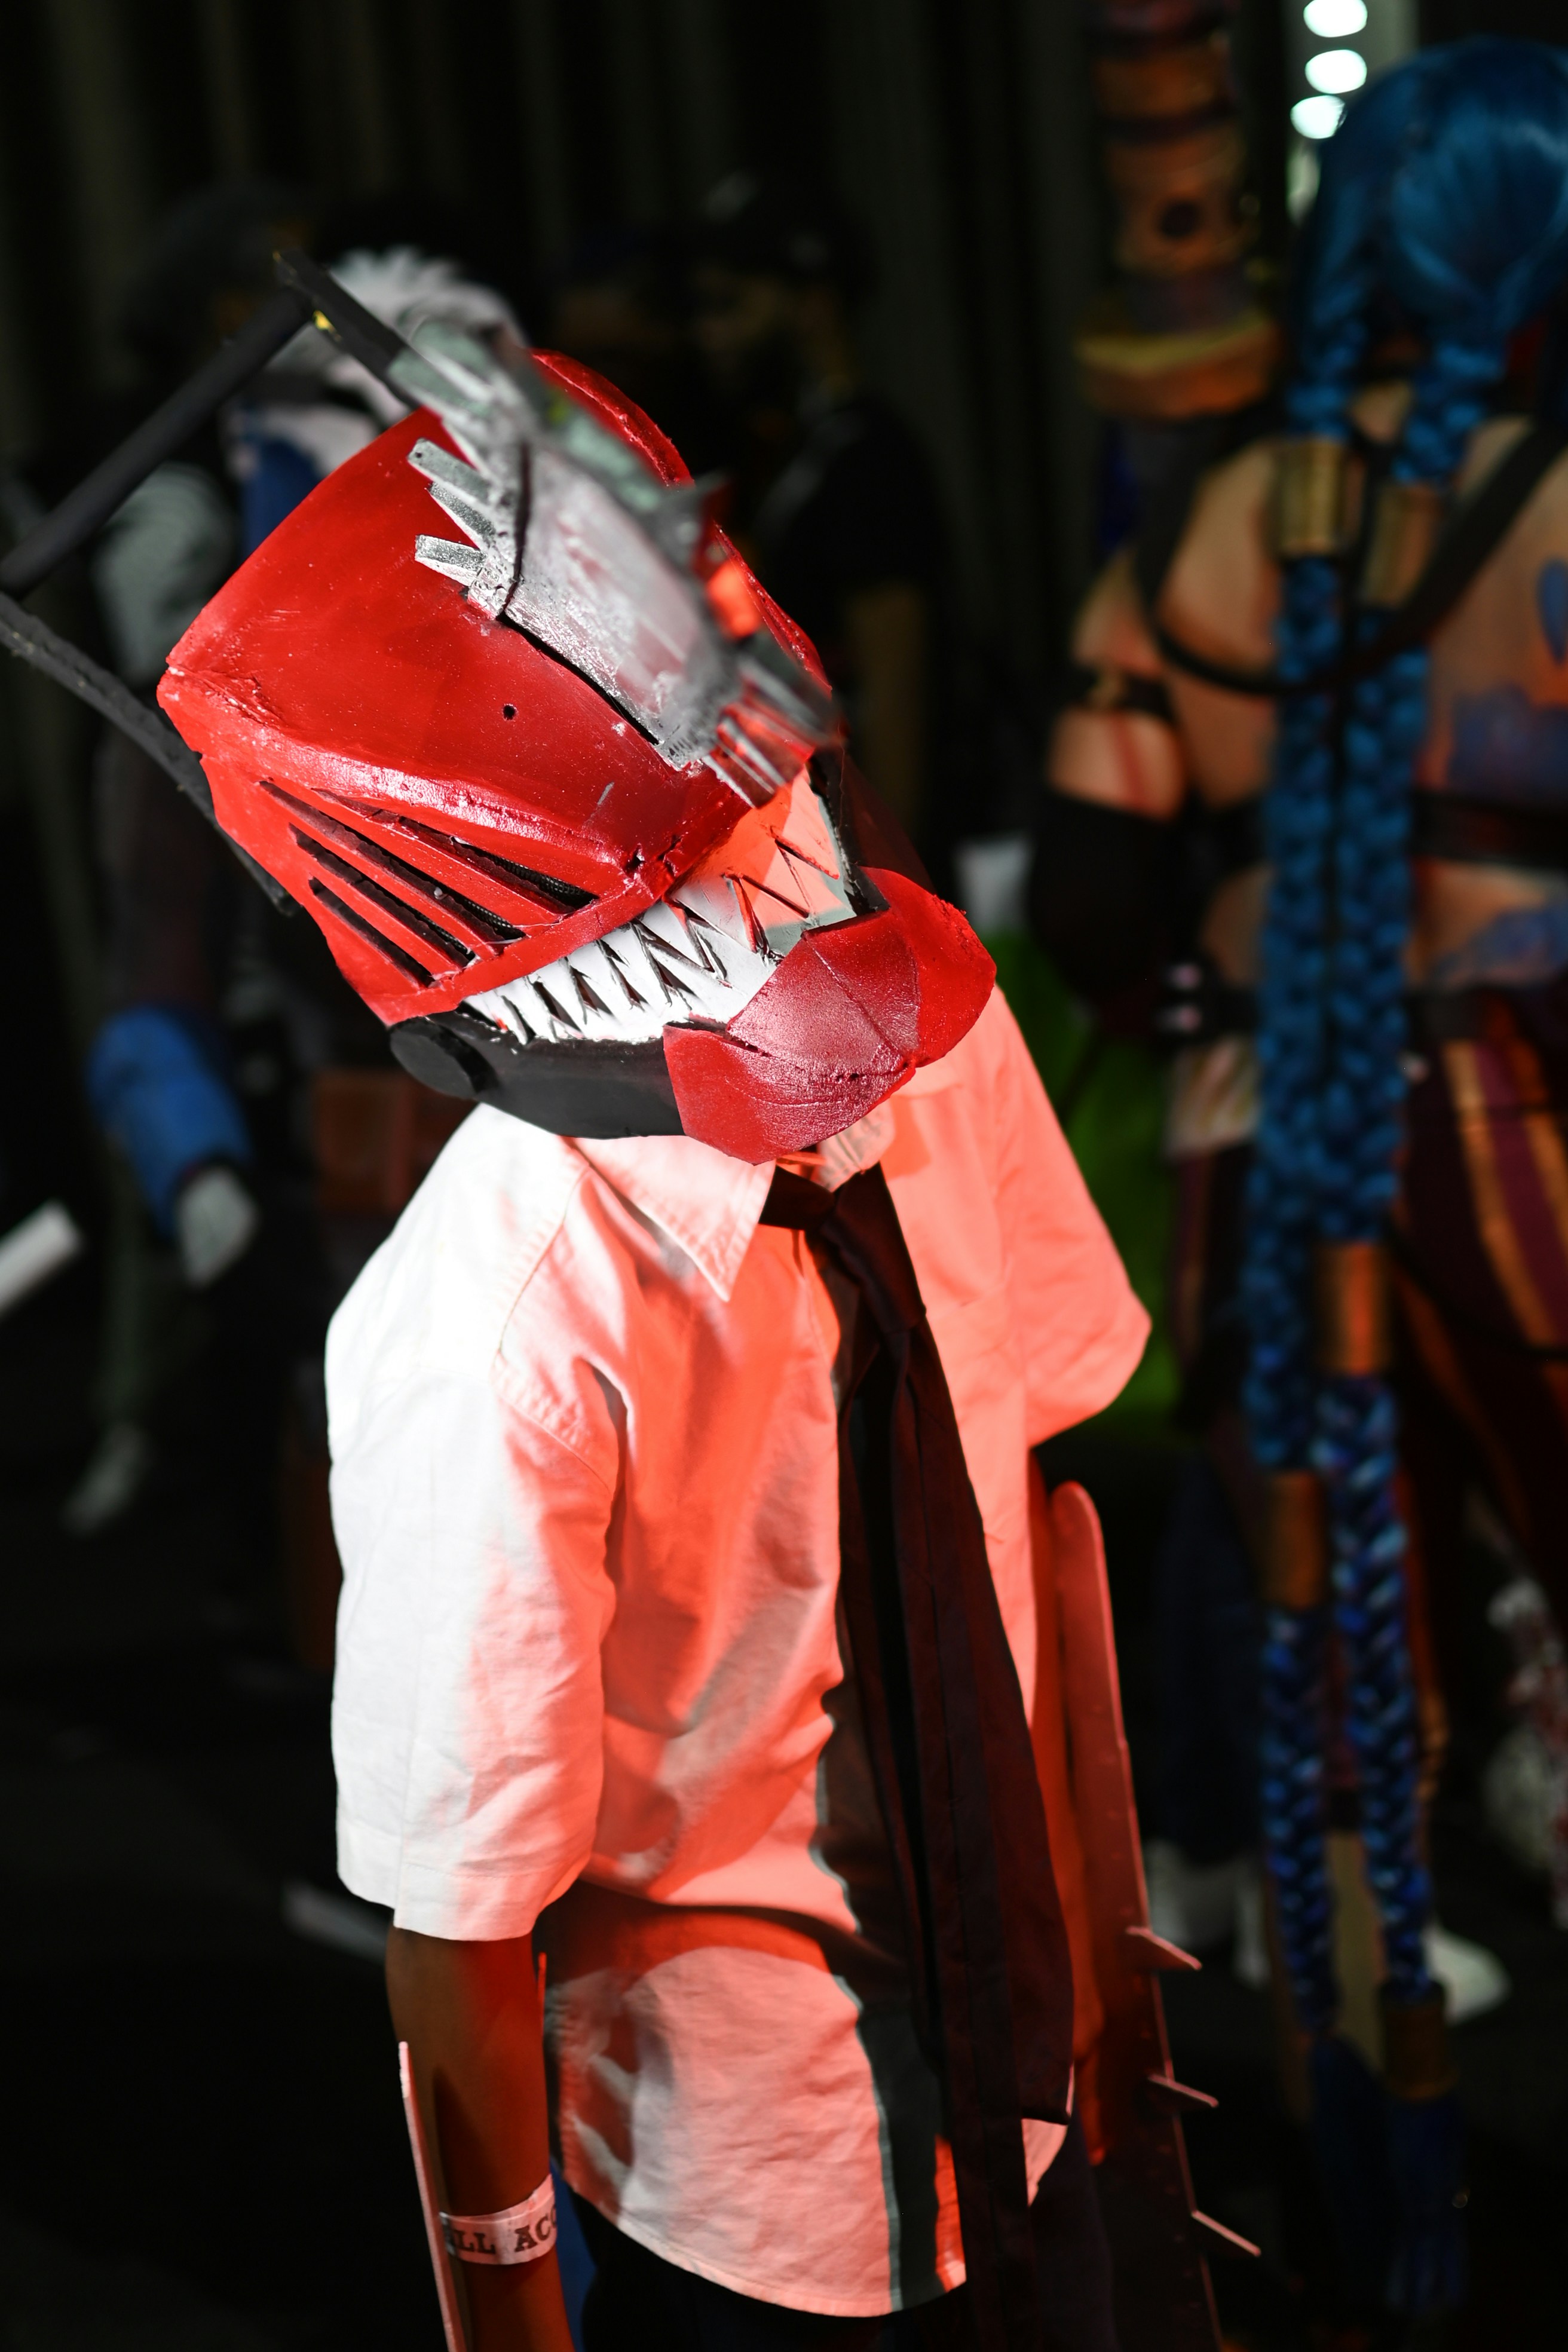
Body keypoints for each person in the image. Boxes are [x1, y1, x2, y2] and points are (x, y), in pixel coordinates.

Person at [157, 290, 1150, 2347]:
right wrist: (509, 2309)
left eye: (786, 814)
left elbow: (1038, 1508)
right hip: (742, 2165)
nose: (791, 881)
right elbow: (462, 1918)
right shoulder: (493, 1323)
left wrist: (1113, 1984)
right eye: (710, 879)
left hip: (1040, 2081)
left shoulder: (923, 1027)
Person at [1031, 37, 1568, 2325]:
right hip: (1542, 1130)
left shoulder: (1211, 520)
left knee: (1339, 1659)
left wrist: (1253, 950)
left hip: (1283, 1142)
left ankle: (1380, 2216)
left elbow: (1083, 876)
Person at [690, 174, 949, 856]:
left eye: (730, 305)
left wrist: (889, 882)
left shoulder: (866, 457)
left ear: (813, 305)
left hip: (867, 861)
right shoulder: (791, 450)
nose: (709, 332)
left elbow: (894, 689)